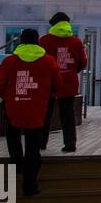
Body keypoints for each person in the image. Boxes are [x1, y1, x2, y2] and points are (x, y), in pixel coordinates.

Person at [0, 28, 60, 197]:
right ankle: (29, 186)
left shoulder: (9, 61)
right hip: (38, 109)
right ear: (37, 41)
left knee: (12, 134)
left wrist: (7, 98)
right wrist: (46, 96)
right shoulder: (49, 61)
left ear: (20, 41)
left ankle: (16, 163)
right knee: (33, 149)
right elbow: (57, 84)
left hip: (13, 106)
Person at [40, 12, 87, 153]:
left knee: (45, 114)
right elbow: (82, 63)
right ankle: (70, 143)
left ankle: (41, 143)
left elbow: (40, 61)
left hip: (49, 83)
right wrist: (70, 71)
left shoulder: (44, 40)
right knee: (67, 115)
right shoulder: (76, 41)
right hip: (69, 82)